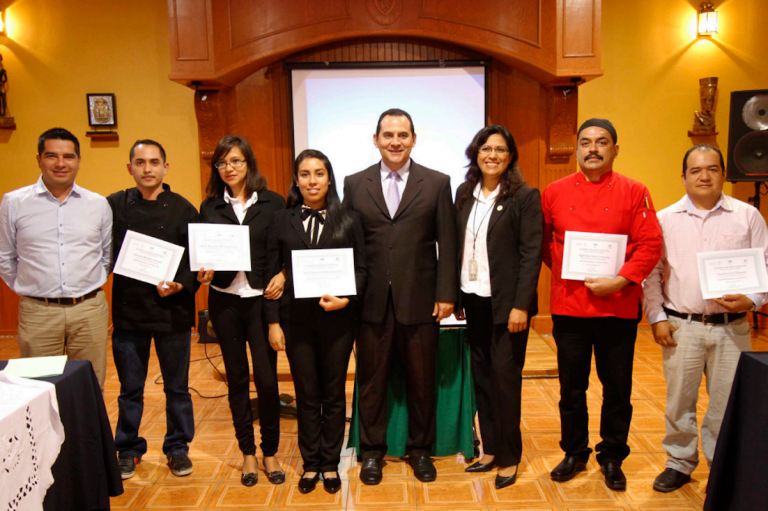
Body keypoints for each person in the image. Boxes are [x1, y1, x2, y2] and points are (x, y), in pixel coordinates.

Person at [542, 118, 662, 490]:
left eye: (602, 142)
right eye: (585, 142)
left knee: (617, 389)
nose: (592, 148)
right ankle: (574, 452)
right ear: (577, 149)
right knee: (571, 389)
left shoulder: (634, 191)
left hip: (618, 307)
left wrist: (620, 280)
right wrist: (569, 271)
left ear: (615, 149)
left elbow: (650, 245)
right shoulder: (554, 192)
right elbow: (546, 245)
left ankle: (612, 455)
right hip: (570, 307)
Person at [642, 144, 767, 493]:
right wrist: (656, 317)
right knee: (679, 400)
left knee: (726, 402)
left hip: (733, 328)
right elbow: (650, 274)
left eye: (712, 169)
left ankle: (721, 464)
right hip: (683, 326)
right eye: (696, 170)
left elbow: (766, 267)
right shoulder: (664, 220)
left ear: (724, 174)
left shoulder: (748, 216)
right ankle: (679, 462)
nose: (704, 176)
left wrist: (753, 299)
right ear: (683, 177)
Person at [343, 108, 458, 485]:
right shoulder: (354, 184)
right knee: (373, 381)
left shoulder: (438, 183)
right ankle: (372, 452)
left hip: (421, 301)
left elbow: (448, 242)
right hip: (370, 302)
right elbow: (345, 244)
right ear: (375, 139)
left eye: (403, 135)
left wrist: (446, 294)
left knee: (421, 380)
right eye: (388, 135)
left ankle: (421, 450)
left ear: (413, 139)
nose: (396, 141)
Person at [265, 149, 367, 494]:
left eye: (319, 173)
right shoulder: (281, 219)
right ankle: (310, 463)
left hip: (338, 322)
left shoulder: (350, 219)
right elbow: (272, 273)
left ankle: (330, 462)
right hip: (295, 321)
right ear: (296, 180)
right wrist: (273, 322)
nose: (312, 180)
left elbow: (362, 269)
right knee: (307, 394)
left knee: (334, 395)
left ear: (329, 178)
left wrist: (348, 299)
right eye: (305, 174)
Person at [453, 125, 543, 490]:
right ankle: (489, 449)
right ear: (476, 153)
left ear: (510, 157)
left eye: (500, 150)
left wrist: (521, 305)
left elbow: (530, 254)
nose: (492, 155)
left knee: (505, 382)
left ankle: (509, 457)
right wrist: (458, 297)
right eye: (486, 148)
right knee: (483, 379)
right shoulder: (464, 194)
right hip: (473, 300)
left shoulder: (524, 196)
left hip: (508, 308)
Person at [197, 135, 286, 487]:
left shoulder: (273, 202)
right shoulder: (209, 208)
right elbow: (203, 257)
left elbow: (286, 248)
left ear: (249, 163)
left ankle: (270, 451)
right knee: (236, 378)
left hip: (262, 300)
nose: (229, 168)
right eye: (222, 163)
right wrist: (202, 273)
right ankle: (247, 451)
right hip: (224, 300)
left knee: (265, 379)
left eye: (235, 161)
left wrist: (283, 274)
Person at [107, 140, 199, 480]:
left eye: (154, 162)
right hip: (129, 314)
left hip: (172, 312)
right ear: (129, 167)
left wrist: (180, 283)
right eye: (140, 162)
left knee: (177, 387)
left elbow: (195, 259)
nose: (148, 168)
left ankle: (178, 447)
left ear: (165, 167)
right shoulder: (114, 205)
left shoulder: (183, 209)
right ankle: (128, 448)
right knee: (130, 388)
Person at [0, 128, 112, 389]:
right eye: (52, 156)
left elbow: (106, 256)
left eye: (68, 156)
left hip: (88, 310)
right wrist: (29, 288)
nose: (61, 164)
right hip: (38, 311)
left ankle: (84, 433)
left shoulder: (98, 204)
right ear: (38, 159)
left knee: (90, 387)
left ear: (78, 161)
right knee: (37, 389)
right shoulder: (14, 202)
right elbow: (4, 257)